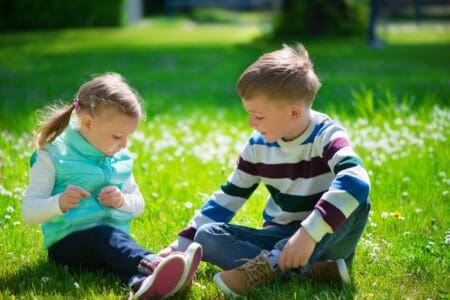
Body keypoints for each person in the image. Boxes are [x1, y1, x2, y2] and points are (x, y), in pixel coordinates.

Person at [160, 44, 371, 296]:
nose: (251, 123)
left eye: (258, 117)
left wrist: (307, 234)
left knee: (358, 200)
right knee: (206, 236)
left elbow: (356, 181)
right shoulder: (258, 146)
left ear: (293, 112)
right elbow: (228, 197)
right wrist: (181, 245)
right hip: (279, 234)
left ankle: (272, 266)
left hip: (327, 238)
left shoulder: (327, 136)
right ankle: (314, 271)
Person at [22, 73, 202, 299]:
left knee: (115, 246)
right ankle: (155, 264)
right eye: (118, 136)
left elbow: (139, 204)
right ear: (88, 122)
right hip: (66, 247)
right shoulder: (52, 155)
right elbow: (29, 212)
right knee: (105, 237)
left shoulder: (120, 158)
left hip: (112, 242)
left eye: (128, 137)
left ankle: (143, 283)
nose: (124, 144)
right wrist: (59, 203)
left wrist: (122, 201)